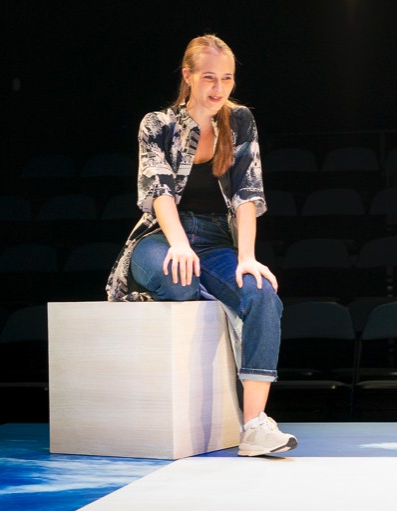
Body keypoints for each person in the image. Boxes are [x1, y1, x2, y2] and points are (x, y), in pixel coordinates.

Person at [106, 34, 295, 457]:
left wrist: (247, 258)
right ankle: (202, 297)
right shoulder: (158, 124)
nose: (218, 87)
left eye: (226, 78)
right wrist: (177, 243)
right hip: (160, 236)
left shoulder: (240, 120)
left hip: (213, 240)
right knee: (180, 279)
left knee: (262, 294)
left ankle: (254, 425)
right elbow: (158, 190)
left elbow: (248, 192)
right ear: (188, 76)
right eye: (209, 77)